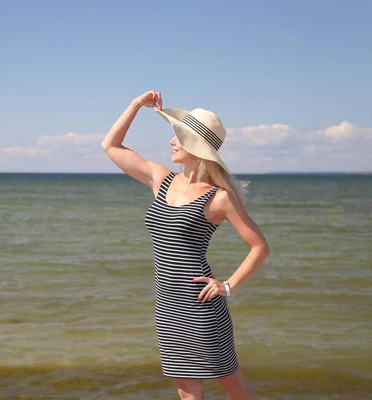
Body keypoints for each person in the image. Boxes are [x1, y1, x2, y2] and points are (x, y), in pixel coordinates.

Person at [100, 90, 270, 400]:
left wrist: (228, 286)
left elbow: (259, 246)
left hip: (201, 305)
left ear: (198, 148)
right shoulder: (160, 179)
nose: (172, 142)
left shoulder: (219, 198)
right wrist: (137, 105)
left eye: (179, 136)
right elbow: (109, 146)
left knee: (233, 387)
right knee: (187, 394)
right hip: (167, 305)